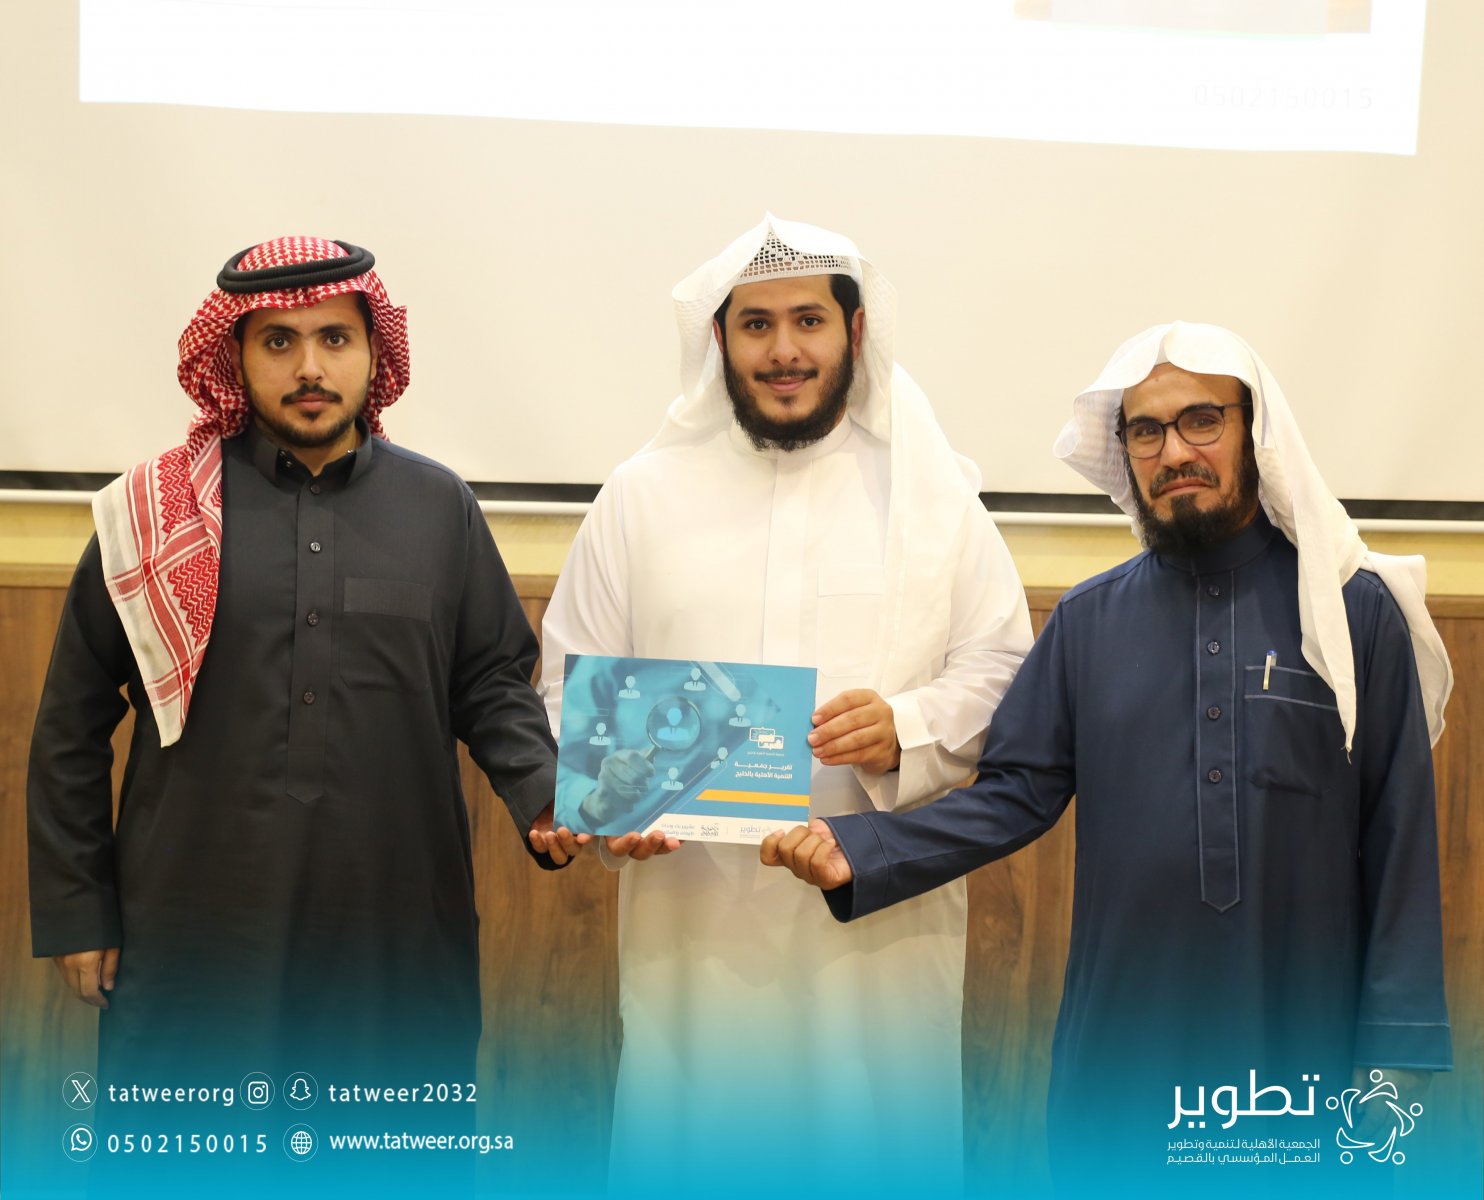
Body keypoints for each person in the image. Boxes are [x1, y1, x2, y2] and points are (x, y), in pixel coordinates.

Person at [763, 321, 1454, 1193]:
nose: (1175, 452)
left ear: (1255, 432)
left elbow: (1399, 833)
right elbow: (1013, 794)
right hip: (1123, 1044)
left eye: (1202, 420)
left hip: (1300, 1041)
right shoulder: (1088, 622)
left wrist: (1397, 1048)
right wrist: (860, 849)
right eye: (1146, 431)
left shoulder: (1353, 610)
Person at [27, 237, 577, 1189]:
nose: (310, 367)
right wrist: (80, 908)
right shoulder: (157, 515)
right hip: (192, 938)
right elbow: (70, 726)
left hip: (393, 940)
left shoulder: (440, 507)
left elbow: (492, 679)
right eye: (278, 342)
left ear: (375, 351)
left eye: (335, 338)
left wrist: (544, 793)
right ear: (234, 356)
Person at [539, 216, 1032, 1192]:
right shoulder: (640, 496)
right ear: (718, 340)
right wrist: (607, 804)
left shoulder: (932, 500)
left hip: (874, 933)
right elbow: (567, 684)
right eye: (755, 324)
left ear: (855, 331)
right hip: (692, 930)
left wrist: (905, 728)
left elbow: (1003, 674)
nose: (783, 350)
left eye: (808, 320)